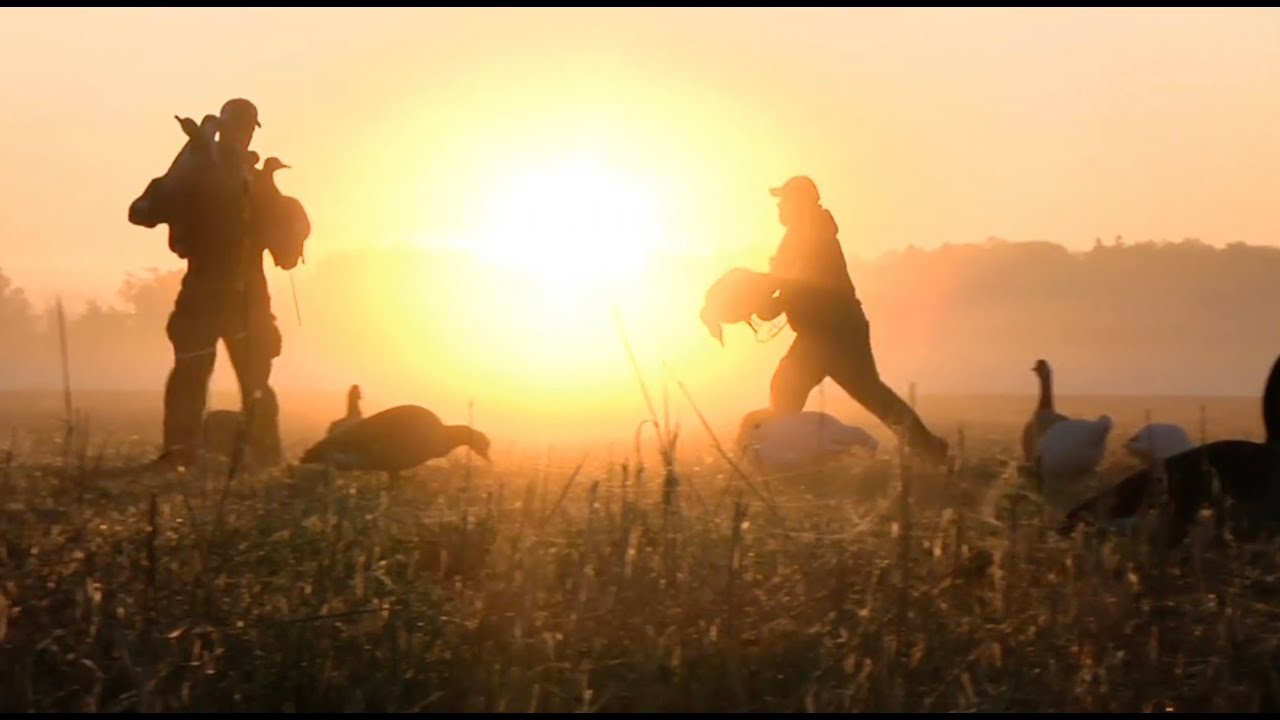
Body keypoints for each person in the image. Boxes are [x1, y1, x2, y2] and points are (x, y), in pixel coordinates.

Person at [128, 98, 306, 469]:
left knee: (247, 380)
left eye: (243, 128)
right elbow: (144, 211)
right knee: (204, 377)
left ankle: (260, 457)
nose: (240, 135)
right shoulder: (201, 175)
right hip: (219, 295)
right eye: (239, 128)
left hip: (230, 296)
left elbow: (145, 210)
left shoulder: (240, 182)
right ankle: (197, 454)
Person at [754, 175, 951, 467]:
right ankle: (931, 450)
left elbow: (801, 285)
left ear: (800, 203)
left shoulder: (815, 236)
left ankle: (786, 459)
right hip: (827, 331)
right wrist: (767, 300)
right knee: (869, 396)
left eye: (784, 200)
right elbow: (786, 284)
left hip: (833, 333)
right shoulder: (800, 235)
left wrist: (772, 302)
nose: (779, 206)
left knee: (789, 389)